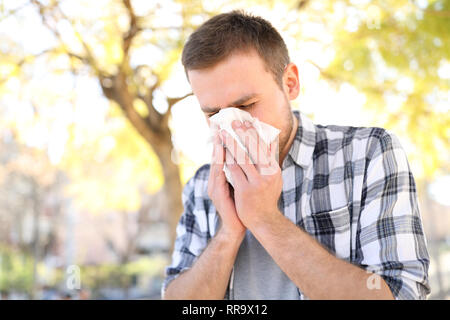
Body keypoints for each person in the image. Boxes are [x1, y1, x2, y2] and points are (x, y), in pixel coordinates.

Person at [162, 10, 430, 300]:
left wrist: (265, 219)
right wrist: (228, 233)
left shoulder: (368, 154)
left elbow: (402, 293)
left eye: (247, 105)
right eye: (214, 113)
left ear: (290, 83)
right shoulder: (204, 185)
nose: (234, 126)